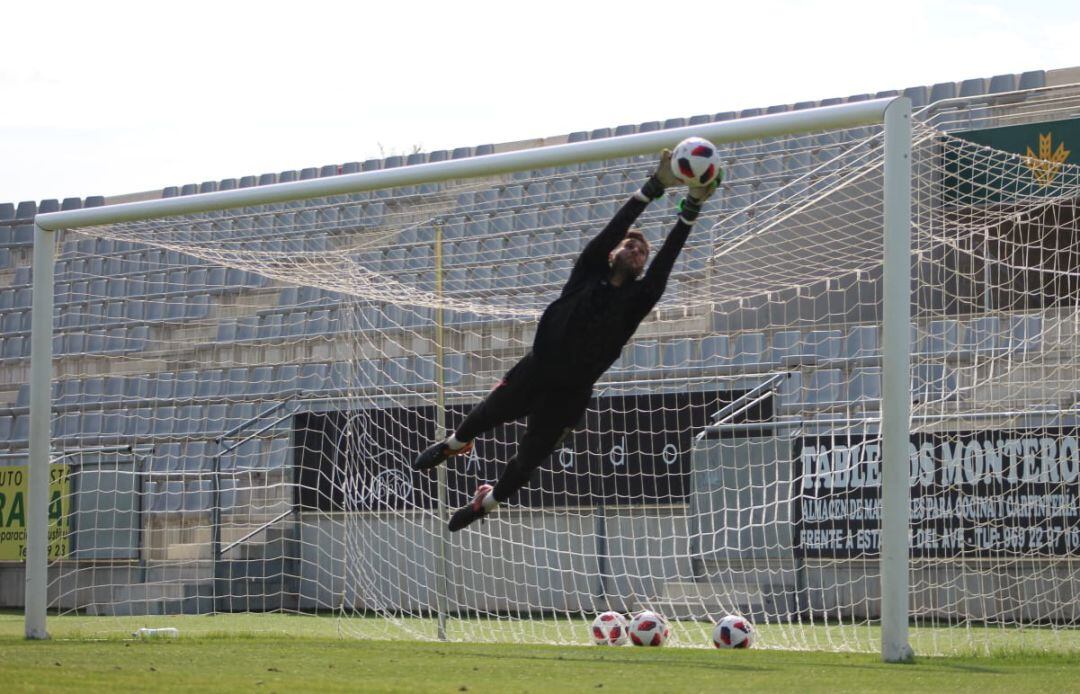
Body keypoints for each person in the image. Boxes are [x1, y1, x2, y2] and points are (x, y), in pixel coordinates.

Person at [413, 150, 718, 531]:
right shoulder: (587, 271)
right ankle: (455, 444)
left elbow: (668, 258)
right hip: (537, 368)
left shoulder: (638, 299)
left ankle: (484, 506)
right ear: (612, 254)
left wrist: (690, 208)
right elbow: (615, 226)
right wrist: (653, 187)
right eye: (629, 246)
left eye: (641, 252)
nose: (636, 251)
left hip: (572, 393)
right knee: (486, 415)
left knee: (528, 462)